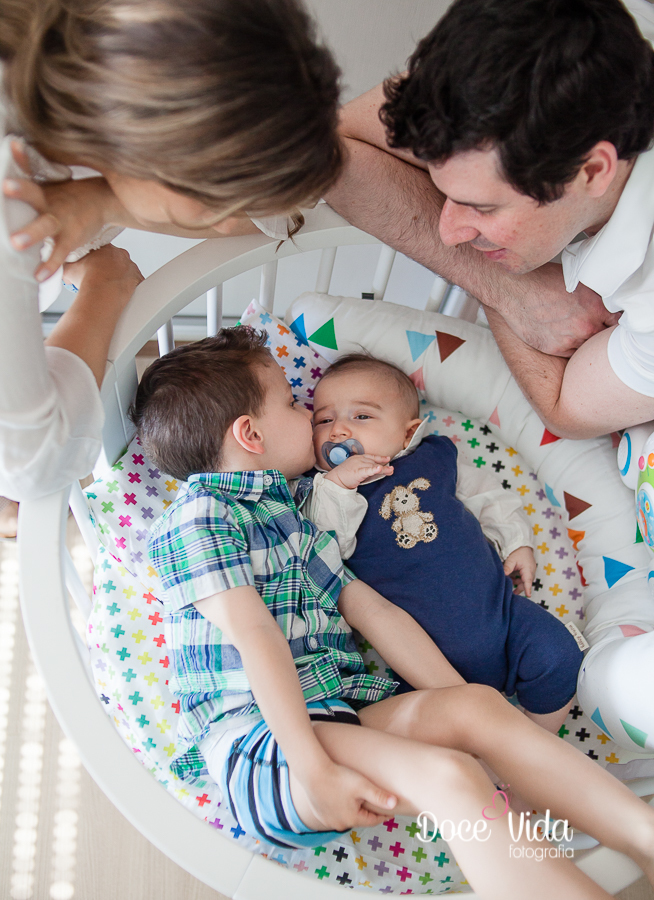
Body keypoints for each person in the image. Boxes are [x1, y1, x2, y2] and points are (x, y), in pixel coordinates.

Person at [131, 325, 654, 898]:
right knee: (452, 776)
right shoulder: (199, 516)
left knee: (478, 710)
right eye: (290, 400)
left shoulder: (300, 516)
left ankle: (643, 837)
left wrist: (467, 709)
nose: (308, 411)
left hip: (338, 718)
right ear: (250, 434)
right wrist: (311, 768)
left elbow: (376, 612)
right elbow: (255, 635)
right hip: (264, 745)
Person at [0, 0, 341, 502]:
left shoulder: (122, 54)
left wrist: (103, 201)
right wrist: (107, 283)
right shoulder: (14, 206)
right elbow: (30, 464)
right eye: (212, 208)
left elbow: (283, 215)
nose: (224, 223)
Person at [325, 0, 654, 438]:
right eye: (444, 190)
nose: (447, 233)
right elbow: (327, 149)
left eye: (482, 206)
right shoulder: (566, 42)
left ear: (592, 171)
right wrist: (507, 288)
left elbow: (564, 411)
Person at [309, 353, 583, 735]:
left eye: (361, 416)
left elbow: (489, 496)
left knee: (560, 656)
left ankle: (538, 742)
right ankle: (489, 765)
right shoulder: (322, 491)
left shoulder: (434, 458)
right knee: (421, 725)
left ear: (408, 433)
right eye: (323, 420)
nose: (337, 430)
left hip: (503, 617)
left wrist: (517, 541)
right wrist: (340, 486)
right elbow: (325, 545)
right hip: (424, 662)